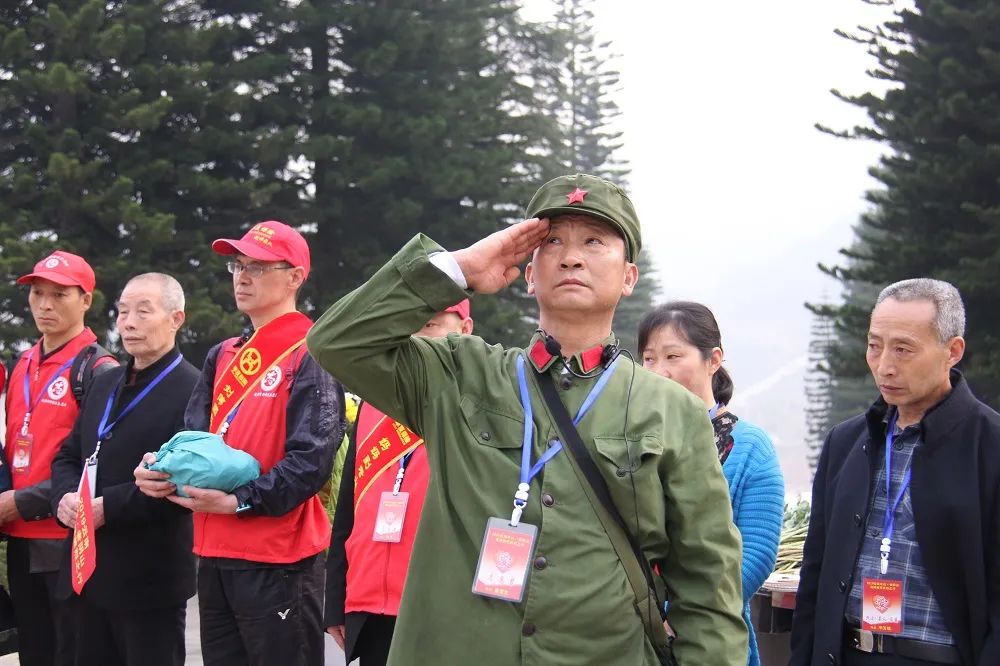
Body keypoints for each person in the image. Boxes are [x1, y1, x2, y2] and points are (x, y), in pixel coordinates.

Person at [307, 173, 747, 665]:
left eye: (595, 241)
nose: (572, 256)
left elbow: (708, 584)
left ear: (628, 277)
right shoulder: (460, 374)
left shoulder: (673, 411)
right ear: (531, 272)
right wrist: (457, 268)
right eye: (552, 240)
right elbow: (336, 341)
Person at [134, 221, 345, 666]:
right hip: (213, 550)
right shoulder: (223, 352)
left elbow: (313, 459)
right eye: (237, 265)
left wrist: (239, 501)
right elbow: (194, 441)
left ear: (295, 277)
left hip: (279, 557)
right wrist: (159, 470)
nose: (242, 276)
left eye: (258, 266)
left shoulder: (313, 351)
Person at [790, 278, 1000, 666]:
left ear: (952, 351)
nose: (885, 365)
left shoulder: (989, 446)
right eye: (874, 346)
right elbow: (815, 577)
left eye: (903, 349)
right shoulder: (846, 442)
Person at [49, 273, 199, 666]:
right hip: (85, 574)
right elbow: (69, 456)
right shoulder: (106, 381)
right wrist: (64, 498)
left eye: (143, 312)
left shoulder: (194, 389)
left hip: (149, 580)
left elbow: (180, 482)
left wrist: (105, 508)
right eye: (122, 312)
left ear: (176, 318)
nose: (128, 322)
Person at [324, 300, 474, 666]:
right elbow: (349, 508)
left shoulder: (476, 405)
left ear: (465, 329)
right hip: (370, 605)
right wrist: (337, 599)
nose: (418, 337)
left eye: (432, 325)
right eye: (411, 325)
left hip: (442, 609)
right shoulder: (375, 400)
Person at [638, 301, 785, 666]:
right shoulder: (628, 439)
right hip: (628, 636)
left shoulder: (750, 447)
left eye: (673, 356)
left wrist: (678, 615)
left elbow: (756, 554)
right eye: (649, 359)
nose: (659, 372)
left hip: (709, 638)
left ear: (713, 359)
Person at [0, 250, 117, 666]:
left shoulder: (100, 369)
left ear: (86, 300)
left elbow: (101, 463)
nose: (45, 305)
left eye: (59, 294)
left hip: (70, 539)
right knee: (34, 652)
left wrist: (21, 501)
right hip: (18, 539)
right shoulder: (20, 364)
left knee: (77, 652)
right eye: (37, 294)